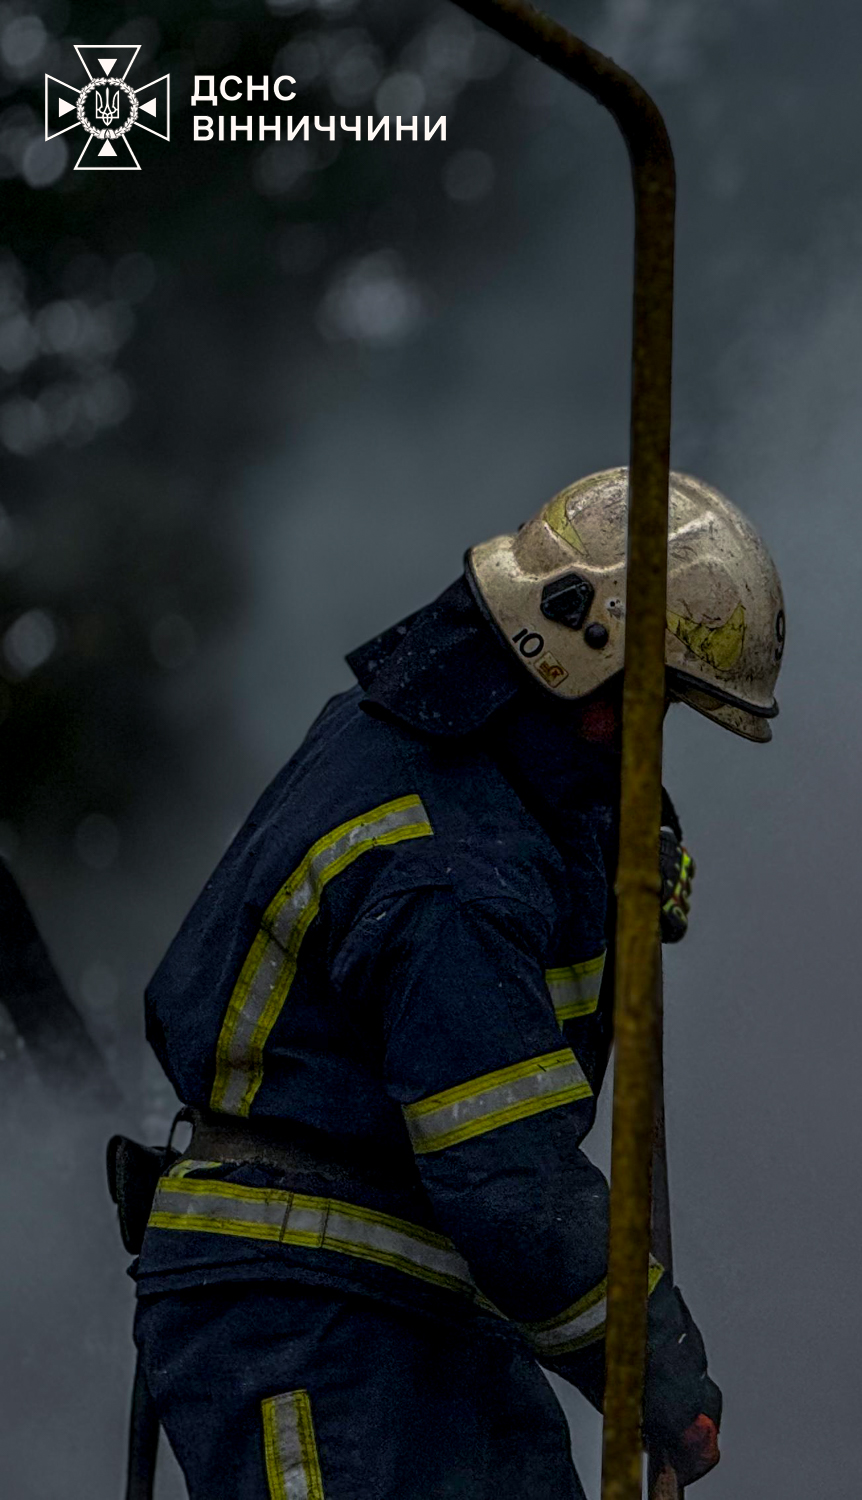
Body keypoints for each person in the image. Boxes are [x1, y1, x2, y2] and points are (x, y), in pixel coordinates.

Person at [130, 468, 784, 1498]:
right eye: (649, 706)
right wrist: (649, 1358)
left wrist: (614, 872)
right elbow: (510, 1187)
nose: (649, 745)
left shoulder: (471, 769)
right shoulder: (445, 870)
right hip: (313, 1311)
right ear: (575, 660)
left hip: (422, 1301)